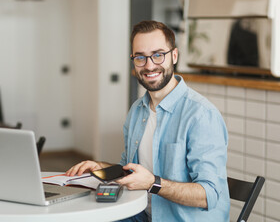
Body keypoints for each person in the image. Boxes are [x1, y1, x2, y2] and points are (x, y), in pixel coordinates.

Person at [66, 20, 230, 221]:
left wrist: (154, 183)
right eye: (140, 57)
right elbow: (129, 169)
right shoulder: (137, 110)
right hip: (142, 214)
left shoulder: (201, 115)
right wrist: (102, 168)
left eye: (158, 55)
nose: (149, 65)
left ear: (174, 56)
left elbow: (209, 195)